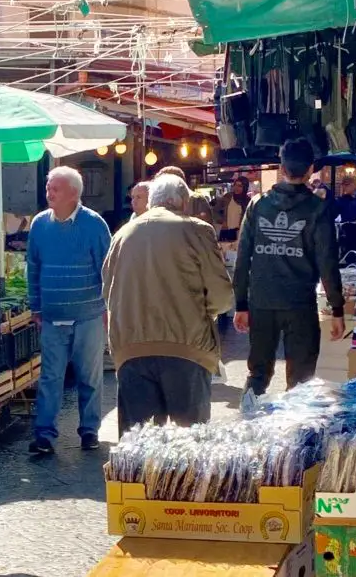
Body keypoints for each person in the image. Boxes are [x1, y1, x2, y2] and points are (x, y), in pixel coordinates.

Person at [103, 174, 233, 433]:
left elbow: (108, 290)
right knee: (189, 445)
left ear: (152, 201)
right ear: (182, 202)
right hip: (187, 347)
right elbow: (222, 297)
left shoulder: (122, 234)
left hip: (131, 348)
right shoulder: (197, 230)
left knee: (137, 448)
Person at [233, 138, 346, 395]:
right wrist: (336, 308)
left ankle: (248, 424)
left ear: (282, 169)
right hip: (300, 303)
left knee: (258, 373)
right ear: (311, 170)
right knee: (301, 382)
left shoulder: (257, 205)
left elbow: (243, 259)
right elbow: (327, 261)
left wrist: (241, 303)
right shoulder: (318, 209)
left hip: (261, 300)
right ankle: (294, 433)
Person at [27, 166, 111, 455]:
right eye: (49, 187)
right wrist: (35, 306)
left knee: (90, 376)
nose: (49, 192)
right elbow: (33, 268)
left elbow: (107, 270)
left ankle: (89, 431)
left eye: (55, 188)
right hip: (52, 316)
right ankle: (44, 434)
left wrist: (108, 309)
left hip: (88, 314)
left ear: (74, 193)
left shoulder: (94, 224)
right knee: (50, 377)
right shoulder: (39, 225)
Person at [215, 176, 251, 243]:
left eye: (240, 186)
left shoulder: (248, 201)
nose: (236, 188)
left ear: (245, 187)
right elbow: (216, 211)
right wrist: (223, 221)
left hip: (239, 232)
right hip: (226, 231)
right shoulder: (227, 197)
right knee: (224, 250)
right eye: (235, 185)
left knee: (237, 252)